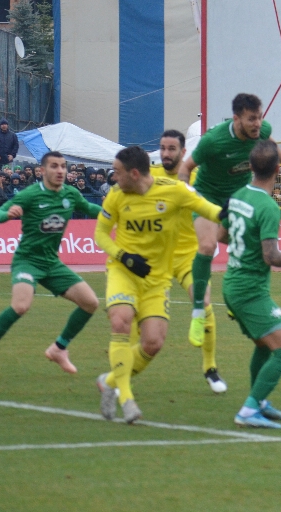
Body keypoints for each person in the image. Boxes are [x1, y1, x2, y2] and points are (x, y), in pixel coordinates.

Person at [95, 146, 223, 424]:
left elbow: (210, 210)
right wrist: (123, 256)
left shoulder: (174, 191)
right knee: (121, 321)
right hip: (123, 271)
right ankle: (126, 399)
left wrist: (236, 216)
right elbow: (100, 234)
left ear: (135, 173)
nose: (113, 178)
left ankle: (109, 381)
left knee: (152, 343)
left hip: (156, 280)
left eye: (117, 173)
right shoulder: (115, 197)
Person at [177, 93, 281, 352]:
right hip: (207, 196)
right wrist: (185, 195)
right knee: (208, 246)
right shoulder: (213, 140)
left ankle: (236, 303)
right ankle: (198, 313)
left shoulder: (262, 129)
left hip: (237, 198)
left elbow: (269, 141)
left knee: (250, 246)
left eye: (259, 117)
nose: (258, 124)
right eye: (251, 119)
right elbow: (185, 168)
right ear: (236, 119)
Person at [0, 151, 102, 378]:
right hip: (28, 261)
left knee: (90, 303)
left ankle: (59, 348)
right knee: (21, 305)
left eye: (63, 166)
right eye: (54, 166)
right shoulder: (30, 194)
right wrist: (7, 214)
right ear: (42, 171)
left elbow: (91, 209)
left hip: (52, 263)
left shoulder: (71, 193)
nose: (60, 170)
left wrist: (118, 214)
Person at [218, 141, 281, 429]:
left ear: (251, 167)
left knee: (264, 345)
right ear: (278, 170)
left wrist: (244, 246)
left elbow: (220, 235)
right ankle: (249, 410)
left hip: (232, 283)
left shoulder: (239, 194)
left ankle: (260, 401)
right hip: (249, 290)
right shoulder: (268, 206)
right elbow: (271, 256)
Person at [152, 130, 226, 394]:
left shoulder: (198, 180)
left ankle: (210, 368)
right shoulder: (149, 179)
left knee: (205, 303)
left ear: (184, 153)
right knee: (133, 318)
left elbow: (214, 215)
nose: (166, 153)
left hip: (188, 257)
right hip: (155, 259)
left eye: (172, 149)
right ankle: (120, 372)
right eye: (162, 148)